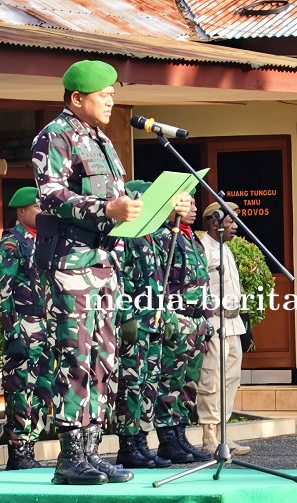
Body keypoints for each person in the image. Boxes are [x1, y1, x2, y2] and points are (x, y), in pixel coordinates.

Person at [32, 60, 190, 485]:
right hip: (72, 265)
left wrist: (153, 207)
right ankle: (69, 457)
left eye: (113, 94)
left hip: (105, 264)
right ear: (77, 98)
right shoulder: (55, 136)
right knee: (77, 357)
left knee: (104, 359)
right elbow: (50, 195)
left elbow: (120, 198)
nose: (111, 100)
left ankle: (90, 451)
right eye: (103, 95)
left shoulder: (102, 139)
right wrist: (105, 209)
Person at [112, 180, 172, 469]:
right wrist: (126, 317)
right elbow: (120, 280)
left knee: (149, 382)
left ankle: (141, 441)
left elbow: (161, 282)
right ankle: (127, 444)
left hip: (153, 321)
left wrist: (167, 315)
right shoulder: (126, 235)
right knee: (131, 383)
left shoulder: (150, 236)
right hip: (136, 322)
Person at [151, 193, 213, 464]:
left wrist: (208, 320)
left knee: (189, 383)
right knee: (170, 381)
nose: (194, 209)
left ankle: (181, 435)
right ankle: (168, 440)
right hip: (178, 318)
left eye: (194, 205)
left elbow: (204, 282)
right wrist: (166, 319)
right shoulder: (165, 237)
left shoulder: (192, 237)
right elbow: (157, 281)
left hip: (197, 320)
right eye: (187, 205)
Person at [0, 186, 52, 470]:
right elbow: (3, 291)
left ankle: (30, 444)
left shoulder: (43, 240)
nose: (42, 212)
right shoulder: (12, 242)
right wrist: (11, 332)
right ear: (21, 211)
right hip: (24, 325)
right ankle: (18, 451)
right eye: (36, 208)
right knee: (20, 389)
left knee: (43, 388)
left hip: (45, 325)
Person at [197, 201, 251, 456]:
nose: (236, 226)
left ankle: (223, 436)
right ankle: (209, 438)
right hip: (214, 323)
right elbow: (198, 289)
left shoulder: (226, 249)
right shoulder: (202, 248)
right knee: (211, 379)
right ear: (214, 222)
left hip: (233, 323)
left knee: (231, 379)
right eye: (230, 221)